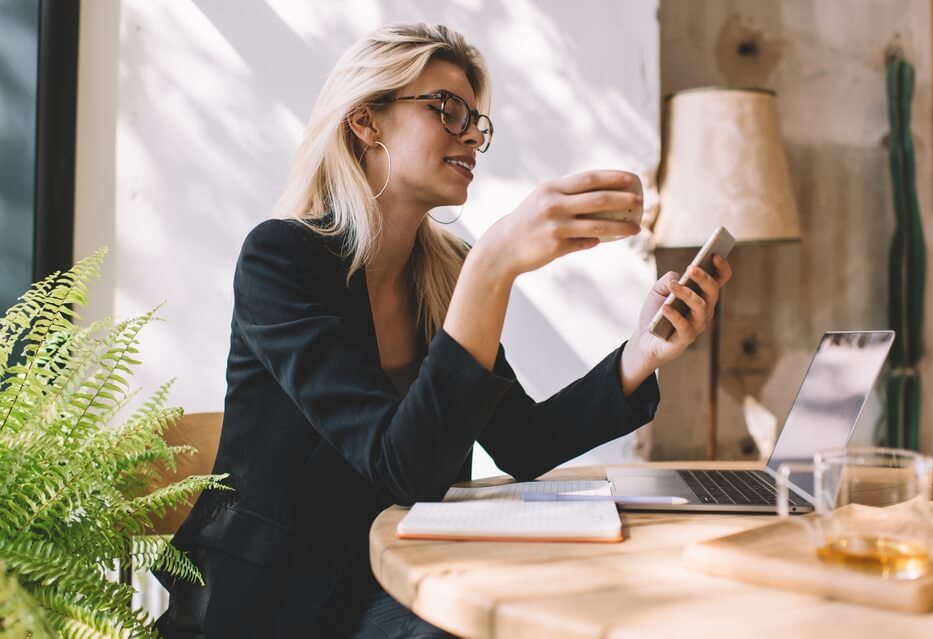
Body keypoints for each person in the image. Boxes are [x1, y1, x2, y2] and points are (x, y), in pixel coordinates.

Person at [156, 22, 731, 639]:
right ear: (365, 122)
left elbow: (522, 444)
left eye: (477, 122)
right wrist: (495, 265)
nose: (472, 137)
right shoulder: (282, 260)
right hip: (281, 603)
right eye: (447, 110)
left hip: (402, 568)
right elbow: (398, 466)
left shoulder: (445, 269)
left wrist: (638, 358)